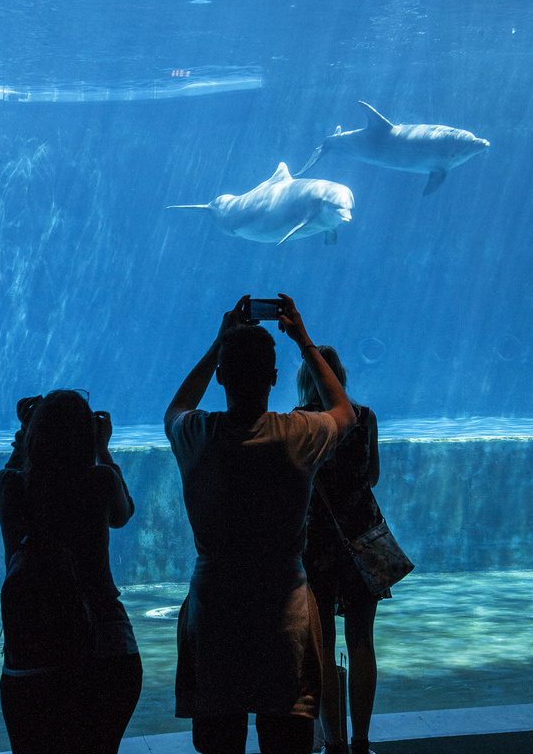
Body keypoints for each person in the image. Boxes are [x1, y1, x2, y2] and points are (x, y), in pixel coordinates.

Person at [164, 294, 356, 754]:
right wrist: (304, 341)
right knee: (287, 737)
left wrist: (219, 342)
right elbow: (344, 413)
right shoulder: (298, 434)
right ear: (274, 379)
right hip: (282, 611)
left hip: (215, 610)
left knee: (217, 737)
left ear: (222, 377)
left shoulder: (199, 435)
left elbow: (174, 409)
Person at [0, 389, 142, 754]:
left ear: (33, 436)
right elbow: (124, 514)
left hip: (30, 653)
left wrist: (26, 434)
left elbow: (14, 468)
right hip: (105, 648)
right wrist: (103, 448)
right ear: (87, 435)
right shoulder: (100, 481)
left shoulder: (9, 487)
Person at [297, 346, 386, 754]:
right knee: (362, 642)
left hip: (316, 545)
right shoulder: (364, 417)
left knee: (323, 645)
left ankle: (334, 744)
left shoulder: (300, 423)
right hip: (363, 542)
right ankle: (361, 742)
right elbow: (373, 475)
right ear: (341, 377)